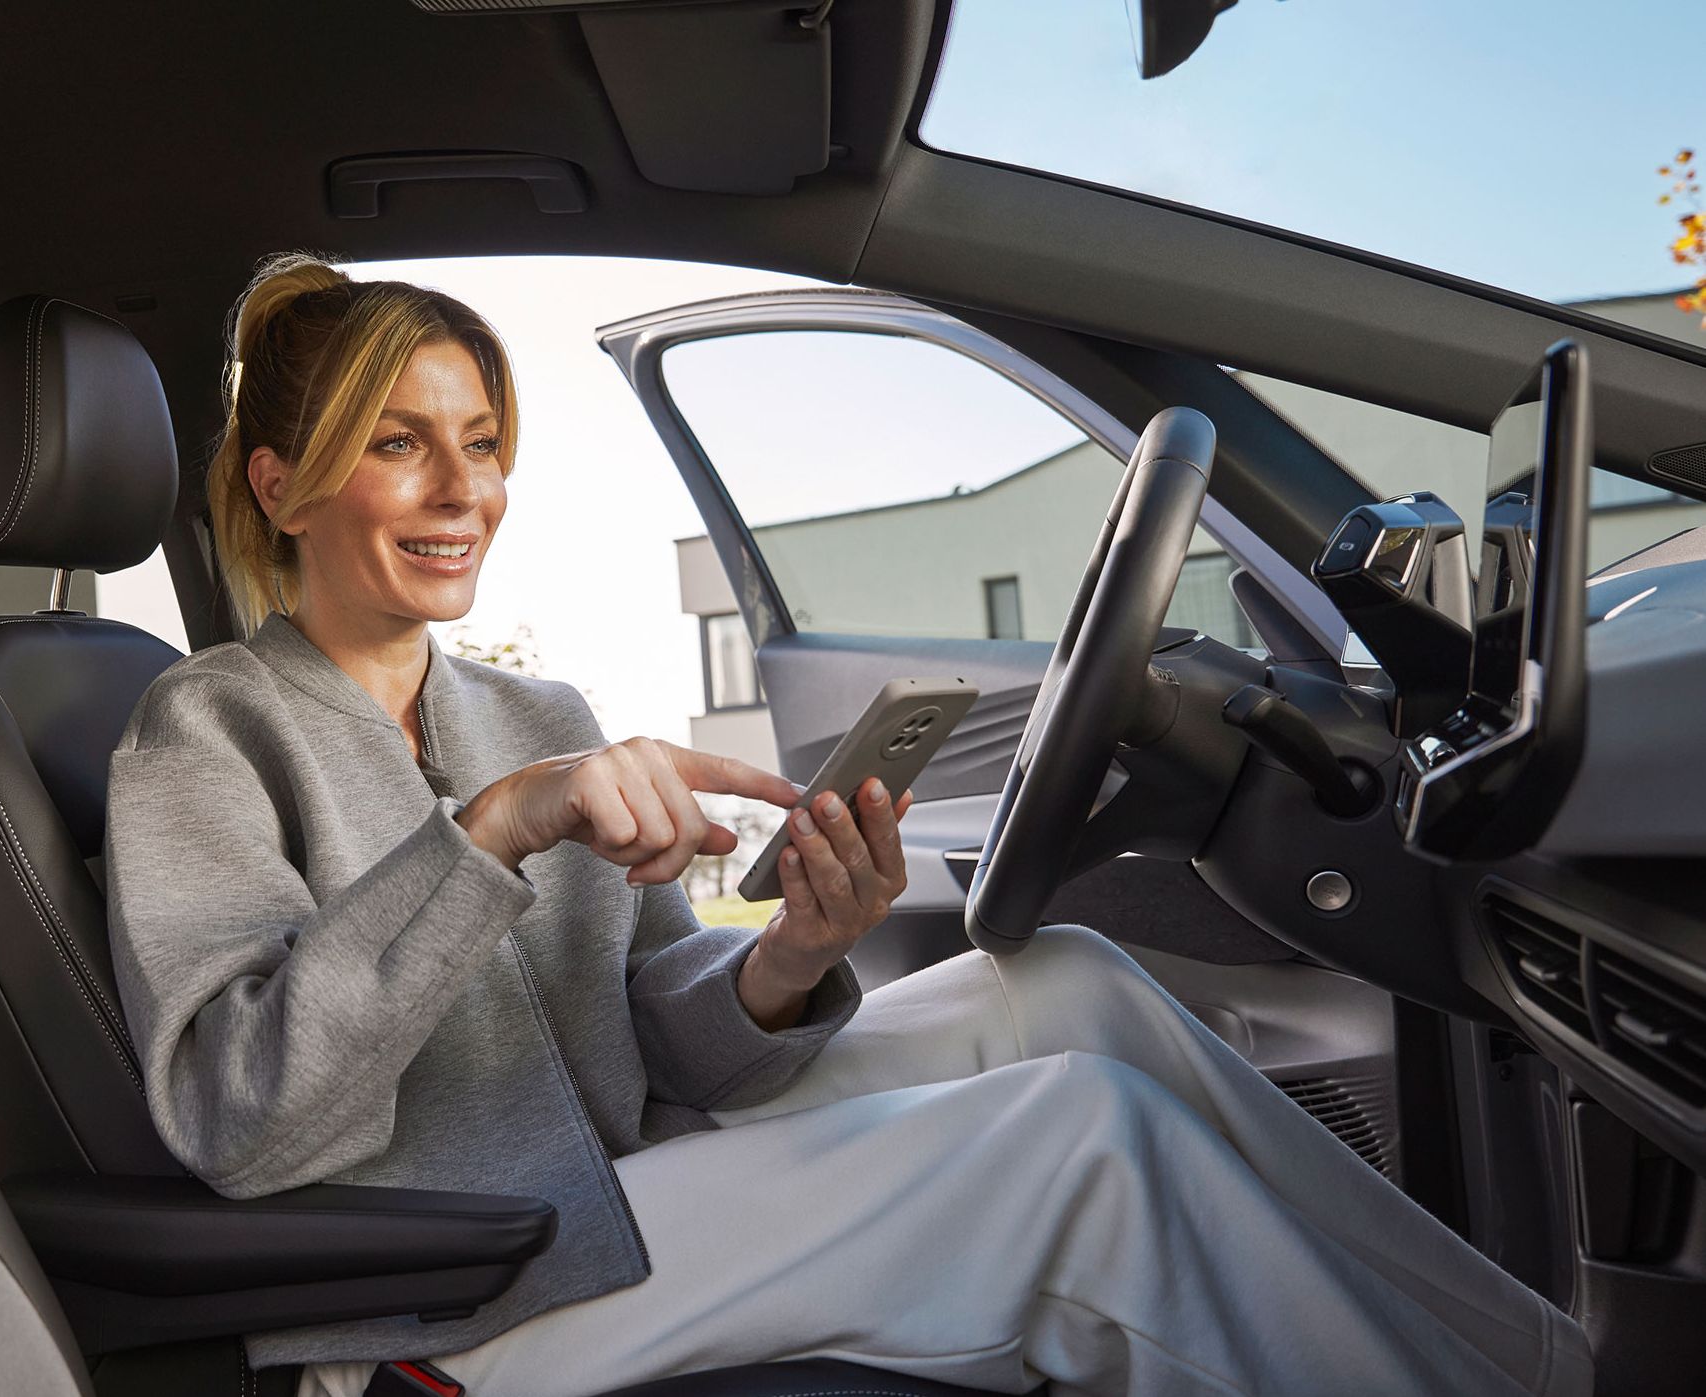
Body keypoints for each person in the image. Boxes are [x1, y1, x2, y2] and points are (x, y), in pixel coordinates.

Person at [101, 254, 1591, 1397]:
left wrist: (794, 956)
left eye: (481, 442)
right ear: (280, 483)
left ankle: (1542, 1365)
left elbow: (656, 1037)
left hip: (626, 1172)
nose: (463, 491)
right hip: (449, 1294)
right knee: (1081, 1140)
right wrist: (486, 836)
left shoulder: (536, 709)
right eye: (399, 444)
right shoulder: (205, 730)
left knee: (1068, 982)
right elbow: (244, 1116)